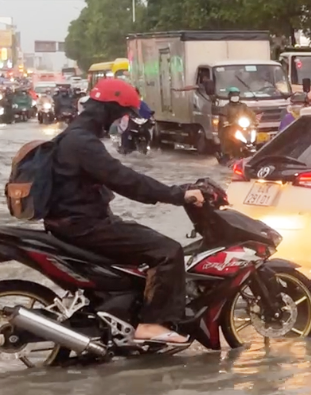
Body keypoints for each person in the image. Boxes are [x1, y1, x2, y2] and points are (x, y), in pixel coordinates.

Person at [44, 78, 205, 345]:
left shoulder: (74, 135)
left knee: (138, 238)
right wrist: (178, 194)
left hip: (72, 223)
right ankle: (152, 323)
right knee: (167, 251)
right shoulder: (83, 142)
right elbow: (125, 180)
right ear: (107, 110)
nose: (122, 119)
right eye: (122, 113)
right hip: (85, 226)